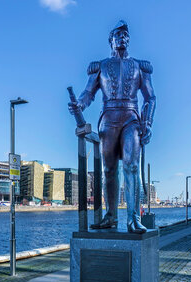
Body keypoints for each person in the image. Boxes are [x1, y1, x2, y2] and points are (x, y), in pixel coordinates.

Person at [68, 20, 156, 233]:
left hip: (131, 119)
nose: (122, 39)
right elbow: (88, 92)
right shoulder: (100, 67)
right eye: (118, 35)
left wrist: (148, 122)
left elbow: (150, 98)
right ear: (111, 40)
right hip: (108, 118)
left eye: (126, 36)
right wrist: (79, 104)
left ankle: (133, 218)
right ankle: (111, 216)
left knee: (132, 167)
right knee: (108, 170)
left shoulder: (140, 67)